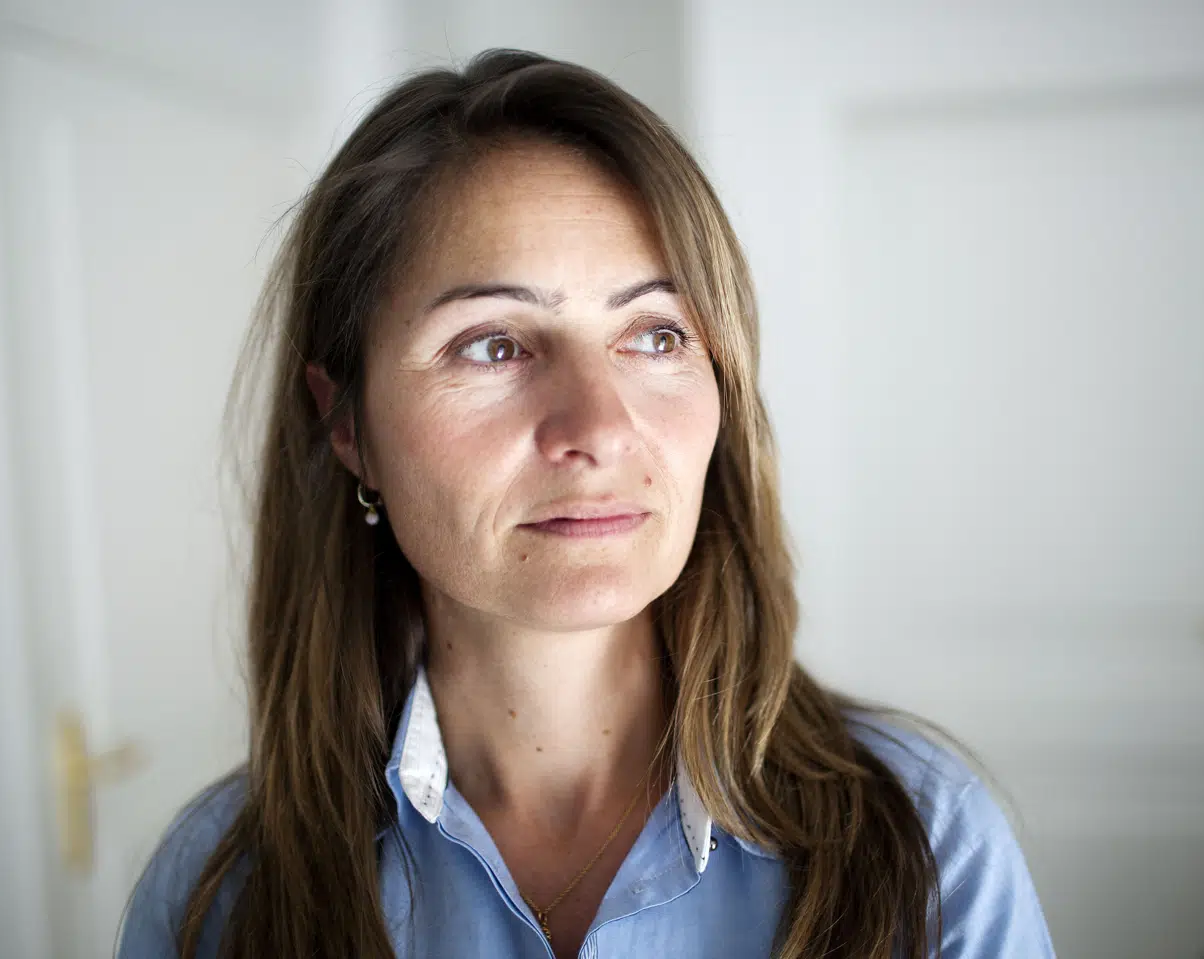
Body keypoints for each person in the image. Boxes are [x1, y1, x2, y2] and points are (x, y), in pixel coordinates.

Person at [116, 49, 1054, 959]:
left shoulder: (928, 842)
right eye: (493, 345)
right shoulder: (218, 899)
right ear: (349, 423)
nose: (599, 428)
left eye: (656, 335)